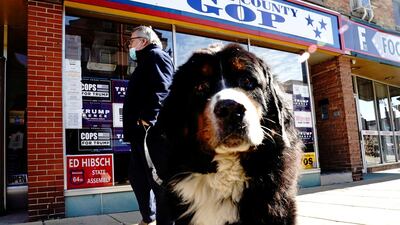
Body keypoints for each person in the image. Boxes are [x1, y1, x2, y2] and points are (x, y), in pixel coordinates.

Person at [123, 25, 174, 225]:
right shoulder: (145, 61)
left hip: (149, 132)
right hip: (138, 133)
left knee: (157, 181)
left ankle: (164, 221)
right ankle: (149, 218)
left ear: (144, 41)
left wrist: (147, 119)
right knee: (137, 178)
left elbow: (164, 89)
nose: (130, 45)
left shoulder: (156, 56)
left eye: (132, 40)